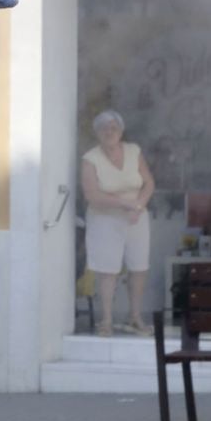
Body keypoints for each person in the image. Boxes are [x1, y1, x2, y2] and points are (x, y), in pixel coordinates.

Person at [81, 109, 155, 337]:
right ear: (97, 133)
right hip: (105, 218)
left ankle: (135, 318)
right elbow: (92, 195)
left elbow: (149, 183)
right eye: (104, 128)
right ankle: (107, 320)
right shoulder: (90, 159)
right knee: (107, 270)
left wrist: (139, 206)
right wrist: (126, 204)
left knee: (139, 267)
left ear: (121, 131)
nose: (109, 132)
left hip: (136, 217)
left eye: (113, 127)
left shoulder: (134, 151)